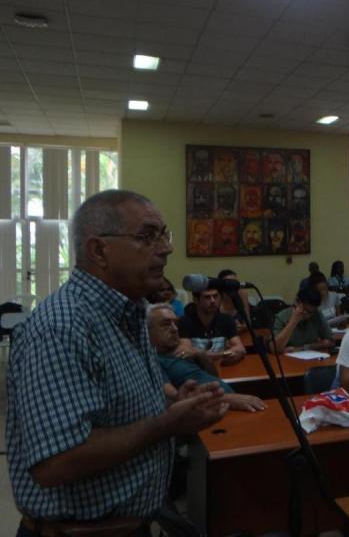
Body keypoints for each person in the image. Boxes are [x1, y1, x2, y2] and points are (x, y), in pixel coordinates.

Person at [7, 190, 227, 536]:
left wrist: (175, 402)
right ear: (99, 251)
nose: (167, 248)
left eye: (163, 234)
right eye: (147, 236)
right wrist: (166, 424)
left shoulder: (131, 314)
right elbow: (56, 462)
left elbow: (119, 406)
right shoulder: (61, 327)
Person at [148, 304, 264, 412]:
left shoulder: (180, 351)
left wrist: (200, 354)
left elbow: (213, 376)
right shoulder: (152, 361)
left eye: (175, 323)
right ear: (146, 330)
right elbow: (177, 398)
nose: (175, 329)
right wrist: (229, 399)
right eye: (166, 324)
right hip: (209, 410)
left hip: (226, 402)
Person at [177, 288, 246, 365]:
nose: (213, 301)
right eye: (207, 297)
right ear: (196, 300)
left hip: (220, 367)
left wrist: (200, 353)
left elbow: (240, 348)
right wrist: (223, 354)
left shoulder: (226, 319)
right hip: (195, 368)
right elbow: (187, 352)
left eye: (215, 296)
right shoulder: (184, 321)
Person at [272, 288, 335, 353]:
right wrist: (293, 321)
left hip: (310, 358)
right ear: (296, 302)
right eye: (305, 310)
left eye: (311, 312)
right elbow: (274, 349)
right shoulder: (281, 317)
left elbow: (331, 341)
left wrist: (302, 348)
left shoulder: (316, 314)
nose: (307, 315)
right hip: (286, 360)